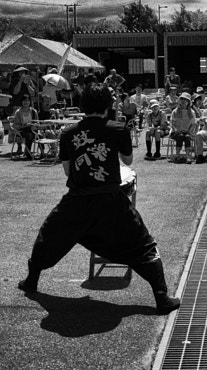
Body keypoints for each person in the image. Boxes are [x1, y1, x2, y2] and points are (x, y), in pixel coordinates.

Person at [17, 85, 181, 314]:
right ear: (107, 106)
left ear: (83, 106)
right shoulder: (118, 129)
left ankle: (32, 280)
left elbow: (67, 171)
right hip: (111, 199)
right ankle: (162, 297)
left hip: (77, 200)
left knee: (49, 235)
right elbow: (128, 160)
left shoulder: (68, 133)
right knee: (142, 244)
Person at [169, 92, 197, 158]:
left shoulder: (192, 112)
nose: (183, 101)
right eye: (182, 99)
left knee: (187, 137)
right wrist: (176, 130)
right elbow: (172, 123)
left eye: (185, 100)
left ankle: (187, 155)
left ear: (188, 102)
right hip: (176, 132)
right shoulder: (175, 111)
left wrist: (190, 131)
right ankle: (177, 154)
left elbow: (194, 123)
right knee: (180, 136)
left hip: (188, 132)